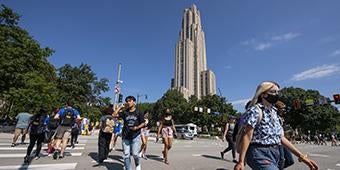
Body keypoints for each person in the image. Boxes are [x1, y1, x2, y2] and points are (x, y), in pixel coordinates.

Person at [234, 81, 319, 170]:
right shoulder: (255, 110)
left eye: (278, 92)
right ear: (263, 94)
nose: (276, 94)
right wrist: (241, 161)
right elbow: (247, 136)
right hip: (258, 152)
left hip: (275, 153)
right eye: (273, 92)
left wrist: (303, 157)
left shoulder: (274, 112)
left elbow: (281, 138)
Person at [113, 96, 145, 170]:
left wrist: (137, 127)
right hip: (125, 136)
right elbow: (114, 115)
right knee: (126, 155)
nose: (128, 102)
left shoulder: (139, 112)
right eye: (127, 101)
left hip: (135, 135)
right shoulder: (125, 112)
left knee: (135, 154)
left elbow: (143, 123)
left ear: (134, 102)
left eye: (130, 101)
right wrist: (120, 107)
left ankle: (137, 164)